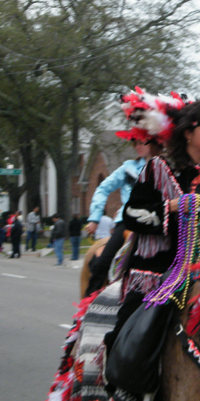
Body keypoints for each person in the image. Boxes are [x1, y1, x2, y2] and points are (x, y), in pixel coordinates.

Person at [105, 98, 200, 357]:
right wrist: (173, 206)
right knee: (130, 343)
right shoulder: (158, 168)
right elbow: (131, 215)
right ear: (188, 133)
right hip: (154, 274)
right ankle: (117, 375)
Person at [84, 125, 163, 297]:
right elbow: (103, 188)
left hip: (159, 223)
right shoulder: (128, 169)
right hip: (128, 223)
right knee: (102, 264)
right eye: (135, 143)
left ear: (154, 141)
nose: (137, 146)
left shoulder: (168, 168)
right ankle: (88, 306)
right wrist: (95, 218)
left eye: (142, 142)